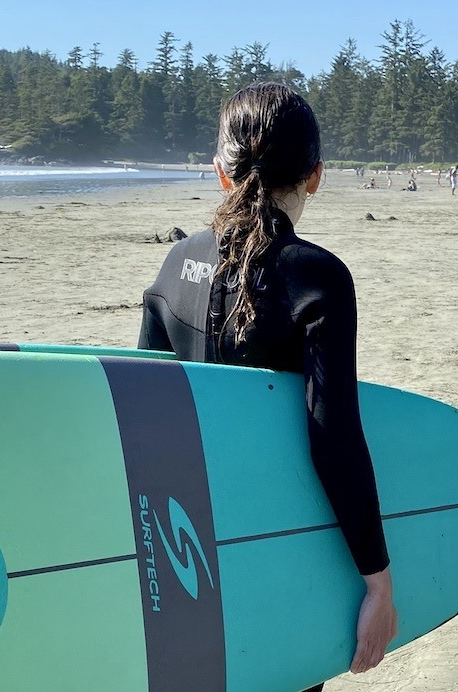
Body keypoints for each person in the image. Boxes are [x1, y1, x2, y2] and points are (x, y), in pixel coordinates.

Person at [137, 82, 397, 692]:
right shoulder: (317, 278)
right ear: (315, 175)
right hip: (279, 540)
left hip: (183, 547)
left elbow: (143, 412)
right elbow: (332, 435)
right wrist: (377, 582)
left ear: (221, 173)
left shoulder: (175, 264)